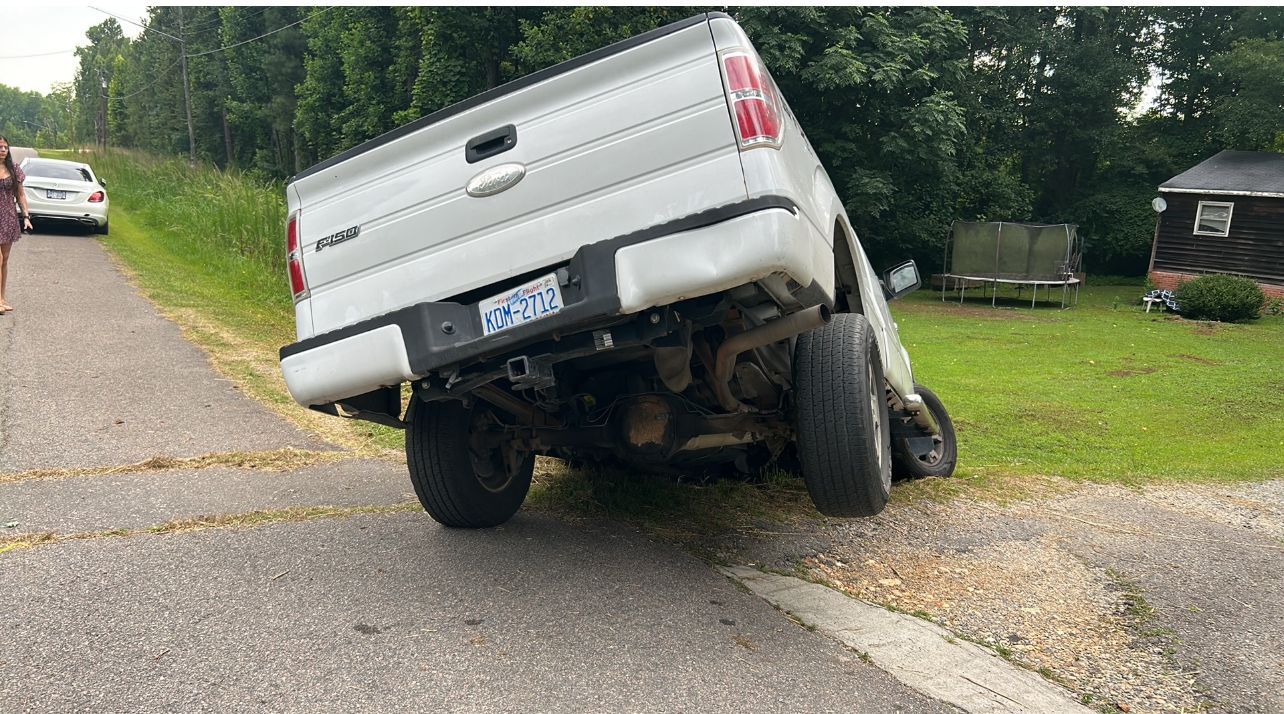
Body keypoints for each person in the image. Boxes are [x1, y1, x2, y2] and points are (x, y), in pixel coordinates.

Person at [0, 136, 32, 314]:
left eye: (5, 147)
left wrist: (26, 216)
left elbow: (20, 195)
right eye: (0, 147)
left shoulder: (14, 169)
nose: (3, 150)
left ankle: (2, 297)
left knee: (4, 260)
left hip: (8, 217)